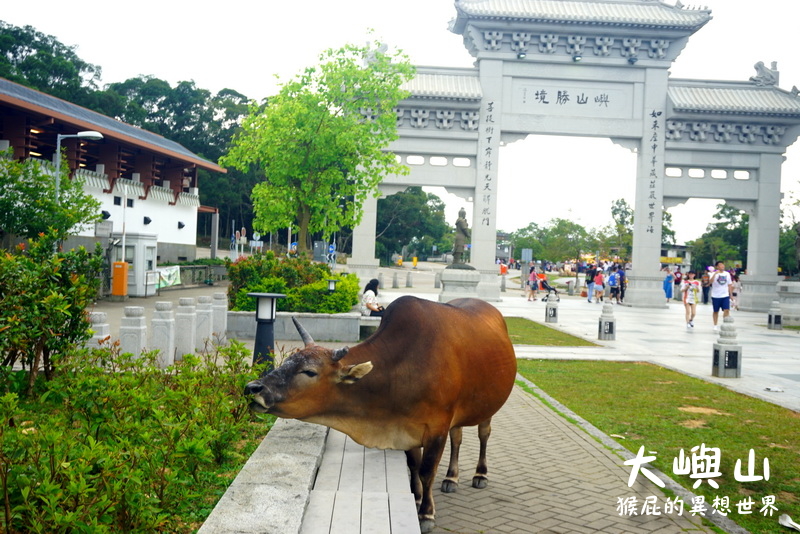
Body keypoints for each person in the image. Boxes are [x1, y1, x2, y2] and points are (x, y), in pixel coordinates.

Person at [709, 261, 732, 331]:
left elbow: (729, 284)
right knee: (716, 311)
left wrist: (731, 294)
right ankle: (715, 325)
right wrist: (715, 274)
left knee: (726, 310)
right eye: (720, 265)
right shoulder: (713, 274)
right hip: (716, 295)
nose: (722, 266)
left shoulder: (727, 274)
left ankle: (725, 323)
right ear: (717, 267)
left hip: (725, 295)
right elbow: (710, 282)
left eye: (723, 265)